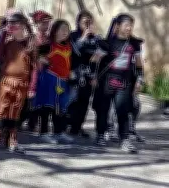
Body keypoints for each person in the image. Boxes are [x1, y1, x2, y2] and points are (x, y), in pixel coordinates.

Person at [0, 11, 38, 153]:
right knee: (1, 109)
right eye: (8, 23)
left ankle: (12, 139)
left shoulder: (31, 42)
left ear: (22, 25)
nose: (11, 26)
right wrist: (3, 37)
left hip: (22, 82)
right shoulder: (7, 40)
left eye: (14, 24)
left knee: (15, 110)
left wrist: (32, 86)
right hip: (6, 80)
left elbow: (34, 67)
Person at [93, 13, 144, 153]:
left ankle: (124, 140)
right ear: (118, 26)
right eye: (126, 25)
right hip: (106, 81)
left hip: (124, 82)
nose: (129, 28)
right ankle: (100, 134)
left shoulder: (134, 44)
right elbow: (94, 60)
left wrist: (139, 79)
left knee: (123, 111)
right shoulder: (107, 43)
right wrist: (93, 76)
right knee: (103, 109)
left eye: (131, 26)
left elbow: (139, 64)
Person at [32, 19, 73, 144]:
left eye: (67, 30)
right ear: (54, 31)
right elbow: (34, 54)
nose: (65, 32)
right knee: (47, 107)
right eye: (62, 29)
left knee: (60, 108)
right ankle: (43, 132)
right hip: (50, 80)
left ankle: (59, 132)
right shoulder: (48, 46)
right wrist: (41, 60)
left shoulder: (69, 47)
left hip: (63, 82)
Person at [67, 10, 100, 138]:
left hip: (88, 75)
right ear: (78, 22)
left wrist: (94, 75)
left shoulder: (95, 38)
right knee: (72, 101)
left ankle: (77, 126)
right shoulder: (73, 36)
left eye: (89, 22)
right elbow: (75, 52)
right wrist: (84, 37)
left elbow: (97, 58)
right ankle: (67, 125)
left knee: (84, 102)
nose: (87, 24)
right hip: (74, 74)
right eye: (84, 22)